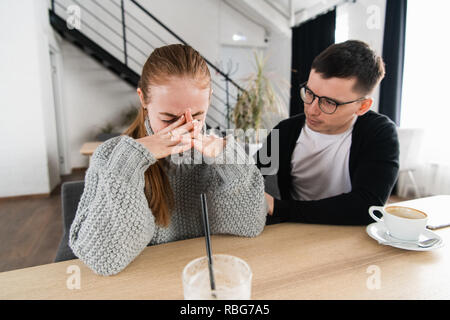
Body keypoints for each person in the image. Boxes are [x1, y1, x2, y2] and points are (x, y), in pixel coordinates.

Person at [69, 44, 267, 276]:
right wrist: (131, 161)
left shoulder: (217, 155)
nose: (183, 128)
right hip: (146, 281)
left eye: (197, 116)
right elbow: (103, 259)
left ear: (209, 98)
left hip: (202, 276)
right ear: (143, 99)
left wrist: (231, 161)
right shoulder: (111, 157)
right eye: (169, 119)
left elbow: (249, 225)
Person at [257, 40, 399, 226]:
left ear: (362, 106)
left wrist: (280, 207)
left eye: (329, 103)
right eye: (309, 93)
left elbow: (368, 207)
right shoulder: (285, 131)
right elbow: (253, 175)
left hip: (352, 235)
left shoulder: (379, 133)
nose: (312, 109)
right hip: (294, 232)